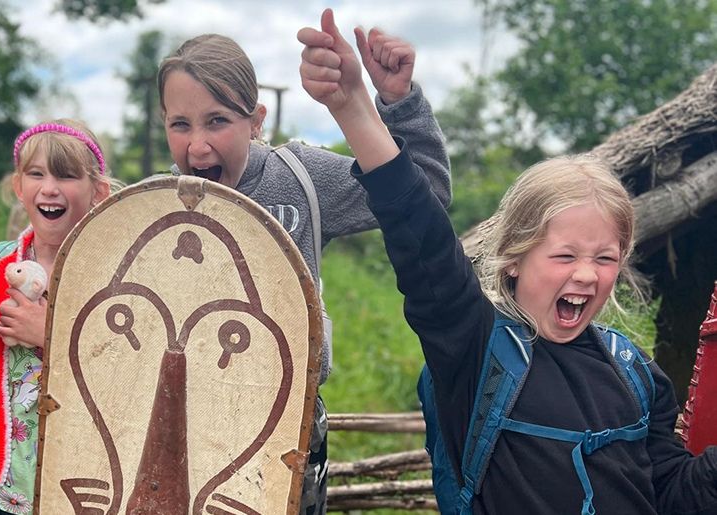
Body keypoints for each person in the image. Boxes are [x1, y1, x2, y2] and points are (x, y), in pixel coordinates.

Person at [327, 70, 717, 514]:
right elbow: (423, 242)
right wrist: (354, 108)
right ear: (514, 256)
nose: (588, 275)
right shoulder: (476, 353)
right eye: (565, 257)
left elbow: (669, 492)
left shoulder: (638, 375)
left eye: (605, 259)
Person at [159, 9, 451, 512]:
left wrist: (399, 103)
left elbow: (427, 191)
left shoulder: (301, 178)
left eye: (218, 121)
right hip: (177, 430)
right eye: (179, 124)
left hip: (287, 433)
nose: (198, 144)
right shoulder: (151, 206)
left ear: (256, 121)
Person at [0, 119, 112, 514]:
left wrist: (48, 334)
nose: (49, 188)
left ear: (98, 192)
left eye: (66, 175)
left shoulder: (113, 279)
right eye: (36, 174)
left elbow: (128, 376)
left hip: (81, 488)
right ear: (19, 186)